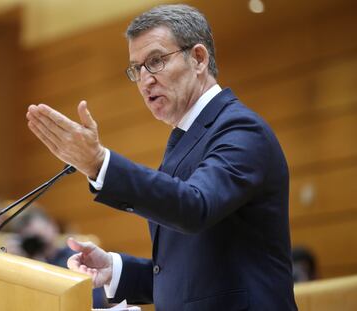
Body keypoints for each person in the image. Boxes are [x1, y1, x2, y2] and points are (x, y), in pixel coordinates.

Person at [26, 4, 297, 310]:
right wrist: (116, 270)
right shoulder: (186, 137)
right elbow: (194, 275)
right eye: (136, 68)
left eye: (155, 61)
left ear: (198, 58)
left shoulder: (240, 129)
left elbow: (195, 207)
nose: (145, 80)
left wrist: (101, 163)